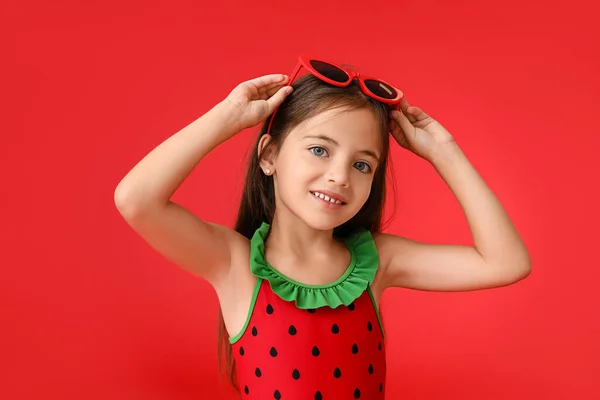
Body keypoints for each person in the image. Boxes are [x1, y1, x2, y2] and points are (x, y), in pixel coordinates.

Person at [114, 57, 531, 399]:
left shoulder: (379, 262)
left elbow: (506, 263)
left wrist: (445, 153)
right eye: (319, 150)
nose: (339, 176)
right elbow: (136, 200)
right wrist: (227, 117)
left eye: (362, 164)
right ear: (269, 155)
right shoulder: (233, 263)